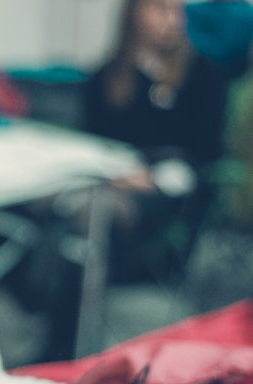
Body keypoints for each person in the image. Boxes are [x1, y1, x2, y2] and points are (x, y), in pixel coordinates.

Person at [82, 0, 228, 282]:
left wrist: (152, 176)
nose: (172, 21)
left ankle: (74, 305)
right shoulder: (109, 76)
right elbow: (95, 140)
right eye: (161, 9)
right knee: (61, 204)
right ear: (134, 13)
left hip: (169, 187)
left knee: (94, 213)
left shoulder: (202, 76)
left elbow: (207, 152)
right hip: (111, 176)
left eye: (177, 11)